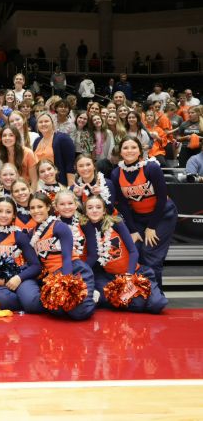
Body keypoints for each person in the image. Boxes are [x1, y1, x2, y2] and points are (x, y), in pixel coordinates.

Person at [81, 195, 167, 314]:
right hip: (111, 277)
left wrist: (129, 276)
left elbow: (133, 252)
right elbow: (93, 256)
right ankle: (130, 298)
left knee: (157, 304)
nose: (94, 210)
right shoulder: (87, 228)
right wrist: (79, 274)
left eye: (98, 207)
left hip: (133, 273)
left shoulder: (116, 223)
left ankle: (137, 295)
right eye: (90, 208)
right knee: (136, 305)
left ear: (104, 210)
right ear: (85, 211)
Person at [111, 137, 178, 289]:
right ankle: (140, 292)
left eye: (133, 147)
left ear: (140, 151)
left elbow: (161, 198)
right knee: (137, 252)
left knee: (151, 253)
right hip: (139, 217)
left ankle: (155, 294)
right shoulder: (116, 174)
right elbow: (122, 205)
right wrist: (133, 230)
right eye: (125, 148)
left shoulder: (152, 168)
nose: (129, 151)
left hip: (162, 215)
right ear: (120, 152)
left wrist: (152, 227)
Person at [28, 192, 95, 320]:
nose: (36, 211)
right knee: (56, 310)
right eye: (32, 208)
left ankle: (91, 298)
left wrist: (66, 283)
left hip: (73, 270)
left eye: (40, 207)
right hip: (53, 276)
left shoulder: (60, 227)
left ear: (48, 207)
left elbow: (67, 257)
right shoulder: (32, 234)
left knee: (79, 313)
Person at [33, 112, 76, 186]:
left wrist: (70, 188)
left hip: (59, 184)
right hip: (41, 184)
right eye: (40, 122)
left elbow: (70, 166)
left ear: (52, 123)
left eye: (46, 121)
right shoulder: (37, 141)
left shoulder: (63, 138)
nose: (43, 124)